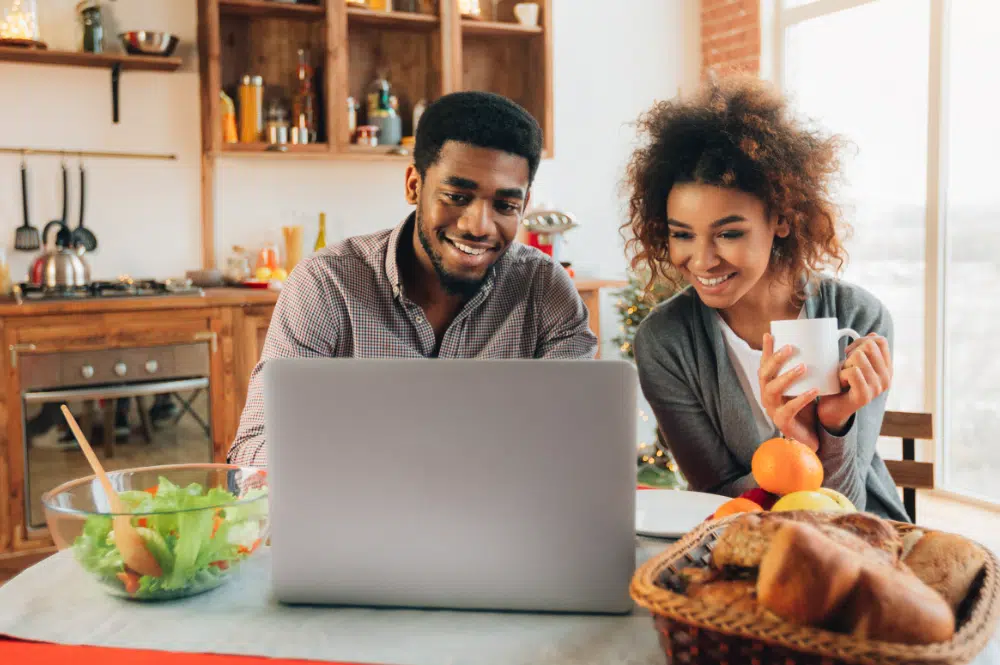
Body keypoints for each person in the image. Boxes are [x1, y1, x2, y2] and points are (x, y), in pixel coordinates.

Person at [229, 91, 598, 466]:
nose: (478, 226)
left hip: (502, 518)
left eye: (504, 206)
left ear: (524, 205)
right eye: (456, 196)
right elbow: (256, 449)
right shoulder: (326, 285)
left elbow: (573, 444)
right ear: (413, 185)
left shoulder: (545, 291)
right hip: (359, 514)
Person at [625, 75, 908, 521]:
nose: (702, 260)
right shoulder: (666, 341)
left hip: (867, 545)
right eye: (682, 234)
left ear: (780, 218)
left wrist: (833, 426)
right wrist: (796, 448)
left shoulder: (858, 316)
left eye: (728, 233)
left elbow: (846, 507)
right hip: (748, 550)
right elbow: (717, 498)